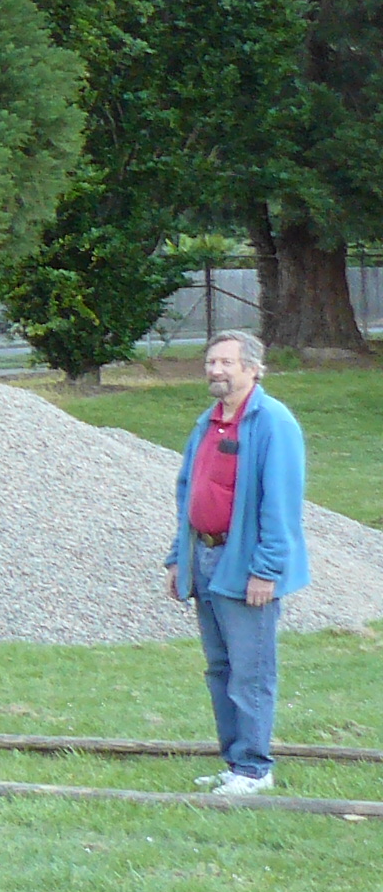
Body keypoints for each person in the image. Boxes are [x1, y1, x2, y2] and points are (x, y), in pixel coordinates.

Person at [167, 331, 310, 795]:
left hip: (244, 564)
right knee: (220, 668)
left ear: (252, 368)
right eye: (211, 362)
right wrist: (178, 557)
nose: (216, 370)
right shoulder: (208, 421)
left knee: (251, 671)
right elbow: (188, 492)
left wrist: (266, 570)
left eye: (227, 362)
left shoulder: (273, 422)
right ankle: (235, 763)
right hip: (203, 557)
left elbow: (280, 504)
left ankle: (254, 770)